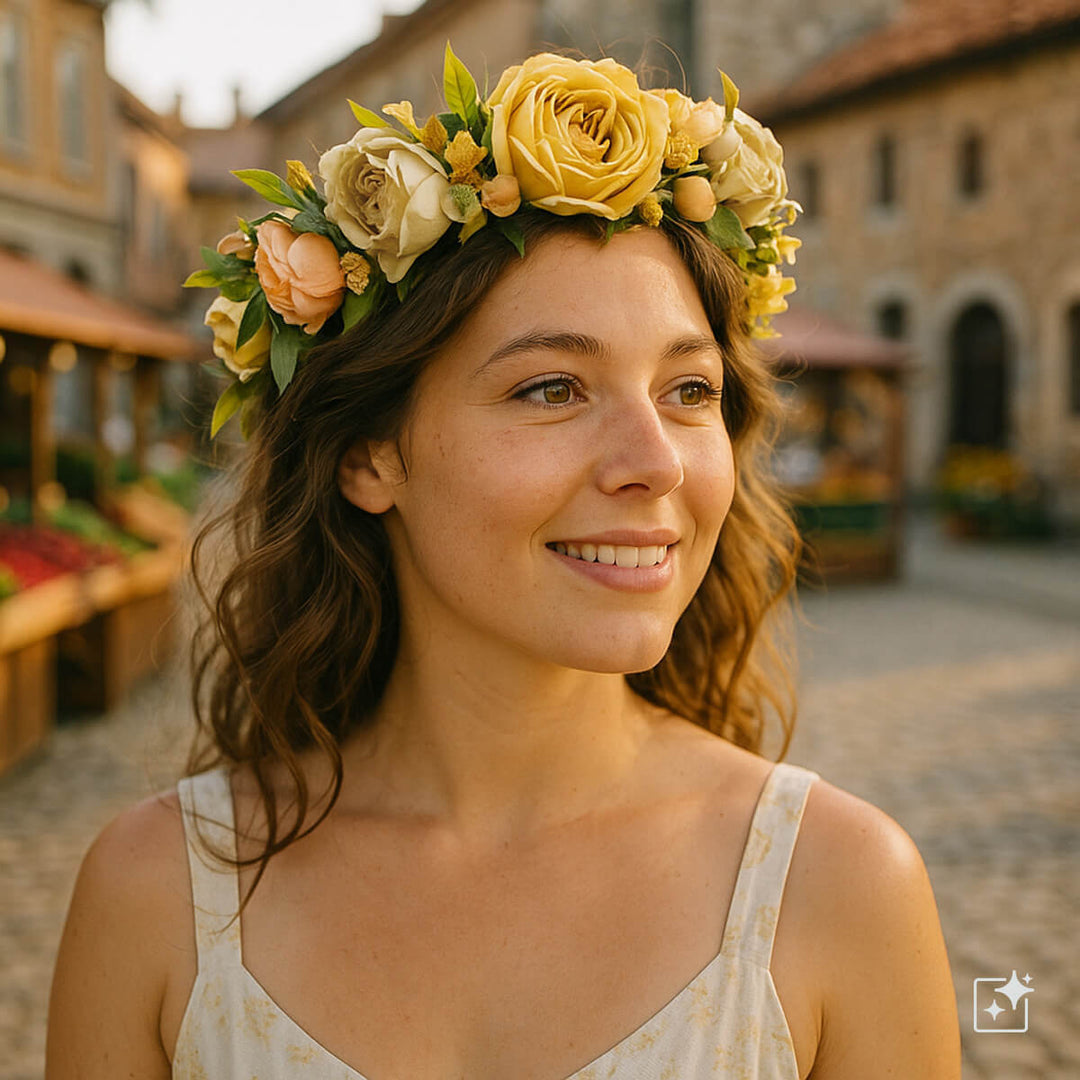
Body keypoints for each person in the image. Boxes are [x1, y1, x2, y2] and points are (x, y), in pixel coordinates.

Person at [45, 46, 961, 1079]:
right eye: (552, 390)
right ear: (368, 453)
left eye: (689, 391)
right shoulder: (157, 895)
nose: (655, 463)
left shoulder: (840, 890)